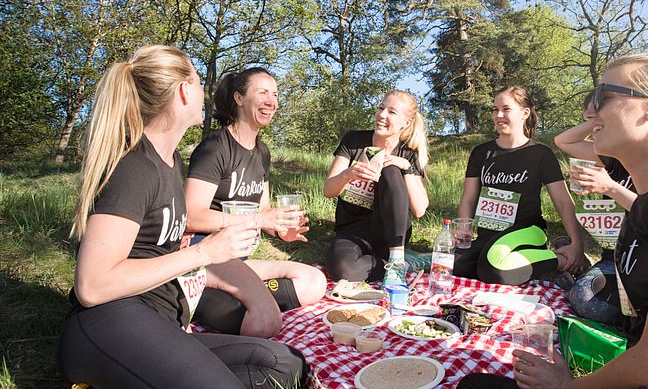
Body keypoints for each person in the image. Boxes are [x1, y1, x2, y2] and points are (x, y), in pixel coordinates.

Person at [464, 52, 648, 389]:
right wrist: (604, 116)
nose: (590, 110)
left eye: (602, 96)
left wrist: (565, 387)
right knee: (474, 383)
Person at [57, 45, 307, 389]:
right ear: (182, 91)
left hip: (159, 320)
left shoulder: (170, 161)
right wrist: (204, 253)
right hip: (110, 320)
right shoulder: (134, 167)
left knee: (285, 363)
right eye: (198, 82)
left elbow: (162, 250)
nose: (205, 92)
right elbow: (92, 286)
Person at [184, 67, 326, 336]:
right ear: (239, 99)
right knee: (263, 322)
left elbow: (263, 211)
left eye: (274, 94)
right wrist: (259, 220)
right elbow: (191, 215)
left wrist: (280, 229)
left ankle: (243, 298)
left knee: (314, 281)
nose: (271, 101)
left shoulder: (261, 152)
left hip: (240, 259)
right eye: (262, 93)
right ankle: (200, 291)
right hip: (204, 254)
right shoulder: (215, 148)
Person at [454, 85, 587, 286]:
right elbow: (469, 197)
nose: (498, 115)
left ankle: (560, 260)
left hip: (528, 231)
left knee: (494, 269)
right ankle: (538, 268)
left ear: (525, 113)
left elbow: (563, 201)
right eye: (494, 109)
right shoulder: (481, 153)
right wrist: (464, 229)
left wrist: (577, 244)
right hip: (490, 235)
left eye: (506, 109)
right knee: (455, 266)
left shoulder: (541, 153)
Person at [323, 90, 429, 284]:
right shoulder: (354, 141)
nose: (382, 115)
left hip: (391, 236)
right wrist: (348, 174)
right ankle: (404, 264)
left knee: (390, 170)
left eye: (392, 112)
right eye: (381, 108)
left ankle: (397, 258)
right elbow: (328, 190)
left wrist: (405, 167)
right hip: (352, 231)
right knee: (343, 270)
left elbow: (419, 209)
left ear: (406, 123)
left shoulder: (408, 153)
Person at [554, 92, 638, 325]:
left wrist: (610, 188)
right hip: (613, 257)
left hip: (644, 263)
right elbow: (563, 141)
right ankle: (574, 259)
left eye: (598, 115)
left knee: (584, 300)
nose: (592, 123)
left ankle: (575, 265)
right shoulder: (612, 158)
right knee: (554, 279)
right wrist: (596, 121)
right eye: (589, 118)